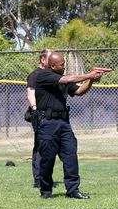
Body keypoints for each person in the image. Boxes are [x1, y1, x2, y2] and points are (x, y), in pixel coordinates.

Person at [34, 52, 102, 199]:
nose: (64, 65)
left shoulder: (63, 80)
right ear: (52, 66)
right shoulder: (44, 76)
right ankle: (46, 191)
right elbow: (68, 79)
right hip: (48, 124)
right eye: (62, 64)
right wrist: (89, 74)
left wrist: (92, 81)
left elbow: (79, 91)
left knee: (70, 155)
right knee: (47, 159)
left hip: (64, 124)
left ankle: (73, 190)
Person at [26, 49, 53, 188]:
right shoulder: (34, 75)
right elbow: (30, 93)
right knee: (40, 146)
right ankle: (38, 178)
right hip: (39, 114)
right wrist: (35, 110)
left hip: (52, 115)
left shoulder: (52, 74)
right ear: (43, 60)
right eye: (51, 57)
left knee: (50, 147)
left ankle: (46, 177)